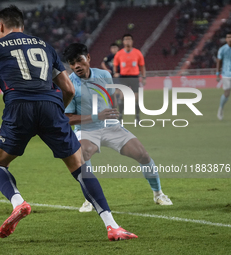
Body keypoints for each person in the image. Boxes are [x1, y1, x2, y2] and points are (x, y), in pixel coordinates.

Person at [0, 5, 137, 241]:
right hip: (50, 105)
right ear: (23, 27)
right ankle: (112, 225)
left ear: (0, 26)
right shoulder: (45, 46)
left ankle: (18, 202)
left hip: (18, 108)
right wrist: (57, 109)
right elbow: (68, 88)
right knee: (80, 167)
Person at [63, 43, 172, 213]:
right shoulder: (69, 84)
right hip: (86, 130)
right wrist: (96, 116)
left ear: (88, 58)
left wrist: (113, 115)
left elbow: (111, 98)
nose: (76, 66)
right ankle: (89, 199)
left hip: (111, 126)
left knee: (143, 154)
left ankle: (158, 194)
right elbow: (67, 118)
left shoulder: (104, 75)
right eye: (72, 63)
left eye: (79, 60)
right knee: (82, 154)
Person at [113, 34, 146, 124]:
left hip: (134, 77)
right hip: (123, 77)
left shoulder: (137, 53)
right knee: (122, 96)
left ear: (132, 41)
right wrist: (115, 72)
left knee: (136, 97)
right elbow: (115, 65)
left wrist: (143, 77)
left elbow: (142, 66)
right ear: (123, 42)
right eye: (126, 39)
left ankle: (137, 116)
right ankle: (120, 116)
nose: (127, 41)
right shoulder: (119, 54)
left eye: (129, 39)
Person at [216, 32, 231, 120]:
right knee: (227, 93)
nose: (230, 39)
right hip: (226, 74)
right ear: (226, 39)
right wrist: (217, 74)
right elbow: (218, 61)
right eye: (228, 37)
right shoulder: (222, 49)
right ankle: (221, 108)